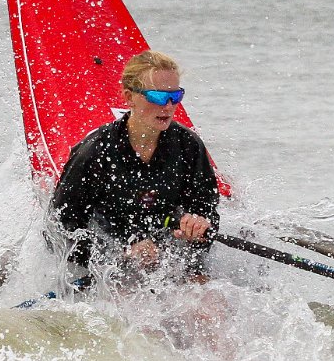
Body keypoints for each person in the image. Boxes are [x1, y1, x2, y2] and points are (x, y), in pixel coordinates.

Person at [50, 50, 220, 290]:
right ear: (129, 97)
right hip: (112, 265)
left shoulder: (188, 145)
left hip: (171, 259)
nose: (169, 106)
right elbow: (59, 227)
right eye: (158, 97)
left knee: (210, 307)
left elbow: (207, 210)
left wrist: (199, 227)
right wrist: (121, 252)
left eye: (175, 96)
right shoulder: (95, 152)